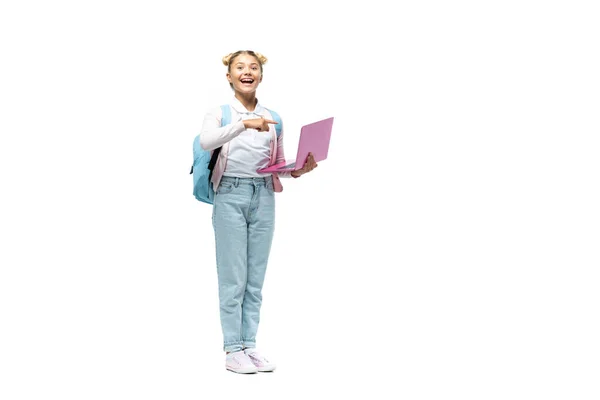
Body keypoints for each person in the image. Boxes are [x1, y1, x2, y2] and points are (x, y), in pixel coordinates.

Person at [199, 50, 318, 373]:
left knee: (255, 278)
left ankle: (249, 345)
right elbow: (207, 142)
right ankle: (232, 348)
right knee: (233, 277)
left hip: (264, 195)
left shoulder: (274, 117)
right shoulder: (221, 113)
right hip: (230, 195)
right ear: (229, 76)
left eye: (253, 67)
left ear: (261, 76)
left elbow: (274, 165)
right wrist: (242, 125)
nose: (247, 71)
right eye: (240, 67)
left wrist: (297, 170)